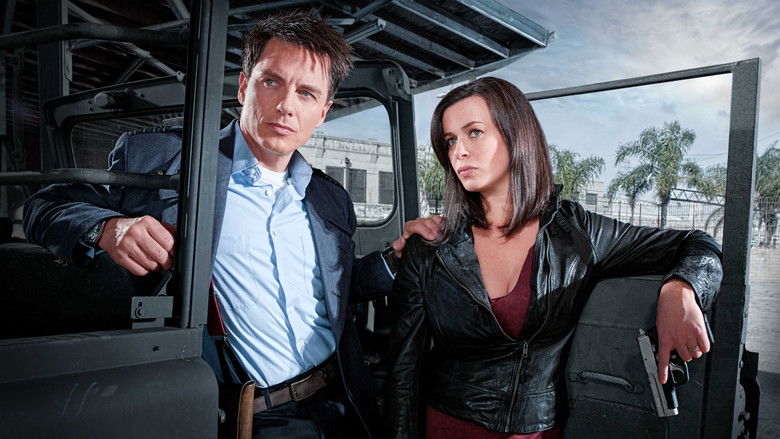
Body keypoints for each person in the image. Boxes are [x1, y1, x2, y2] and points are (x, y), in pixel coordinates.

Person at [23, 11, 437, 439]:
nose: (286, 105)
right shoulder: (165, 160)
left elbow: (337, 288)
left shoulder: (329, 198)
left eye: (306, 93)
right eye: (272, 81)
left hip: (344, 398)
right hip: (256, 417)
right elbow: (44, 205)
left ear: (322, 112)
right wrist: (109, 228)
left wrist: (393, 260)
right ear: (244, 86)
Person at [383, 77, 723, 439]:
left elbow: (697, 243)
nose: (459, 152)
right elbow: (403, 373)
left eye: (475, 133)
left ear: (516, 135)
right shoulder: (430, 246)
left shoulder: (577, 233)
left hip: (539, 431)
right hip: (446, 425)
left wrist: (681, 288)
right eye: (450, 140)